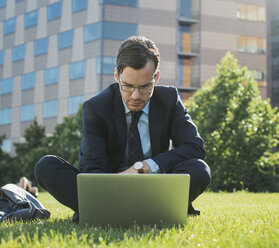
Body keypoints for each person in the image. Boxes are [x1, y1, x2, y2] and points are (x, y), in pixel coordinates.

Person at [34, 36, 211, 222]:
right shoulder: (96, 108)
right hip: (108, 188)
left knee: (199, 169)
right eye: (128, 86)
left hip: (155, 184)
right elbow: (92, 170)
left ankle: (107, 212)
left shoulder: (170, 99)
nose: (136, 96)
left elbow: (194, 147)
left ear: (156, 77)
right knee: (46, 166)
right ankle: (148, 210)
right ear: (117, 76)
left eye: (145, 87)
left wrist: (144, 167)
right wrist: (118, 183)